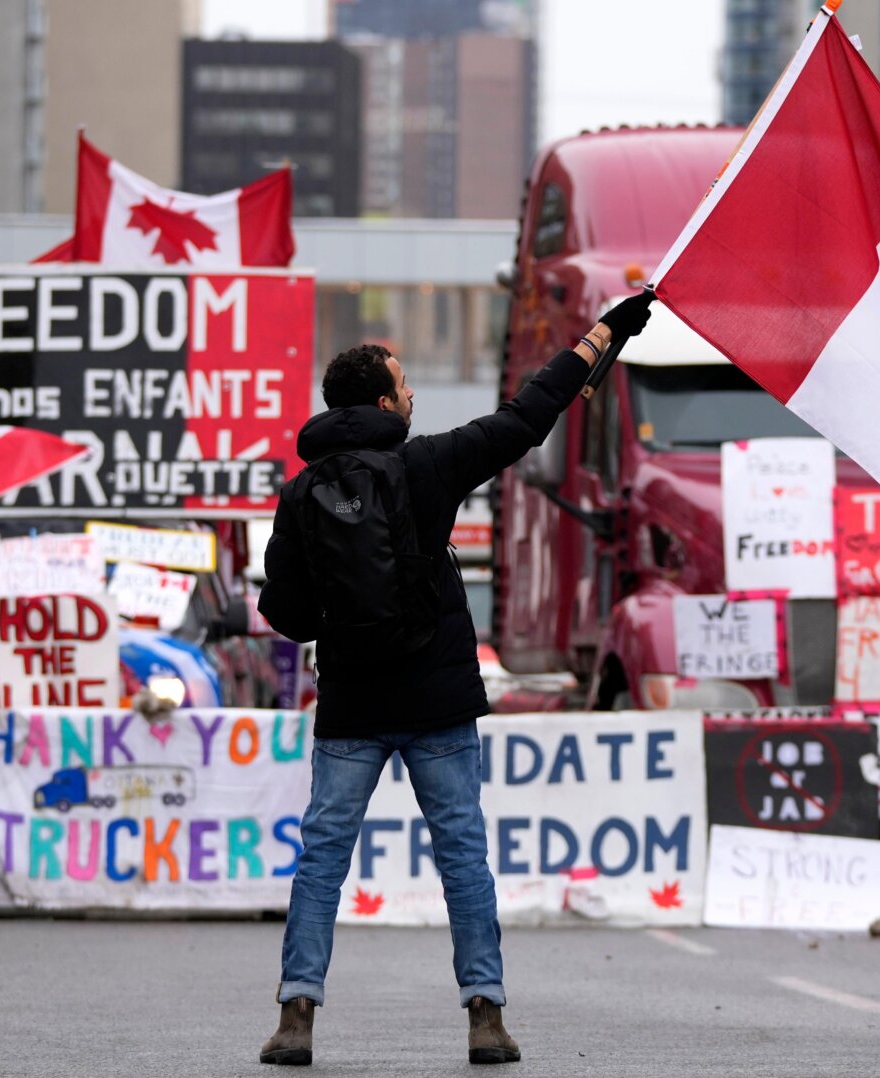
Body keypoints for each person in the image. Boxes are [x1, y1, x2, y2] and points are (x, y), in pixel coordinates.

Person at [256, 291, 655, 1066]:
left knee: (323, 859)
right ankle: (485, 1016)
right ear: (383, 402)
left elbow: (289, 613)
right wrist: (604, 335)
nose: (413, 398)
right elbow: (525, 417)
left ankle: (296, 1014)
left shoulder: (300, 494)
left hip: (349, 708)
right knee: (462, 856)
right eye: (405, 387)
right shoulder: (427, 464)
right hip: (437, 702)